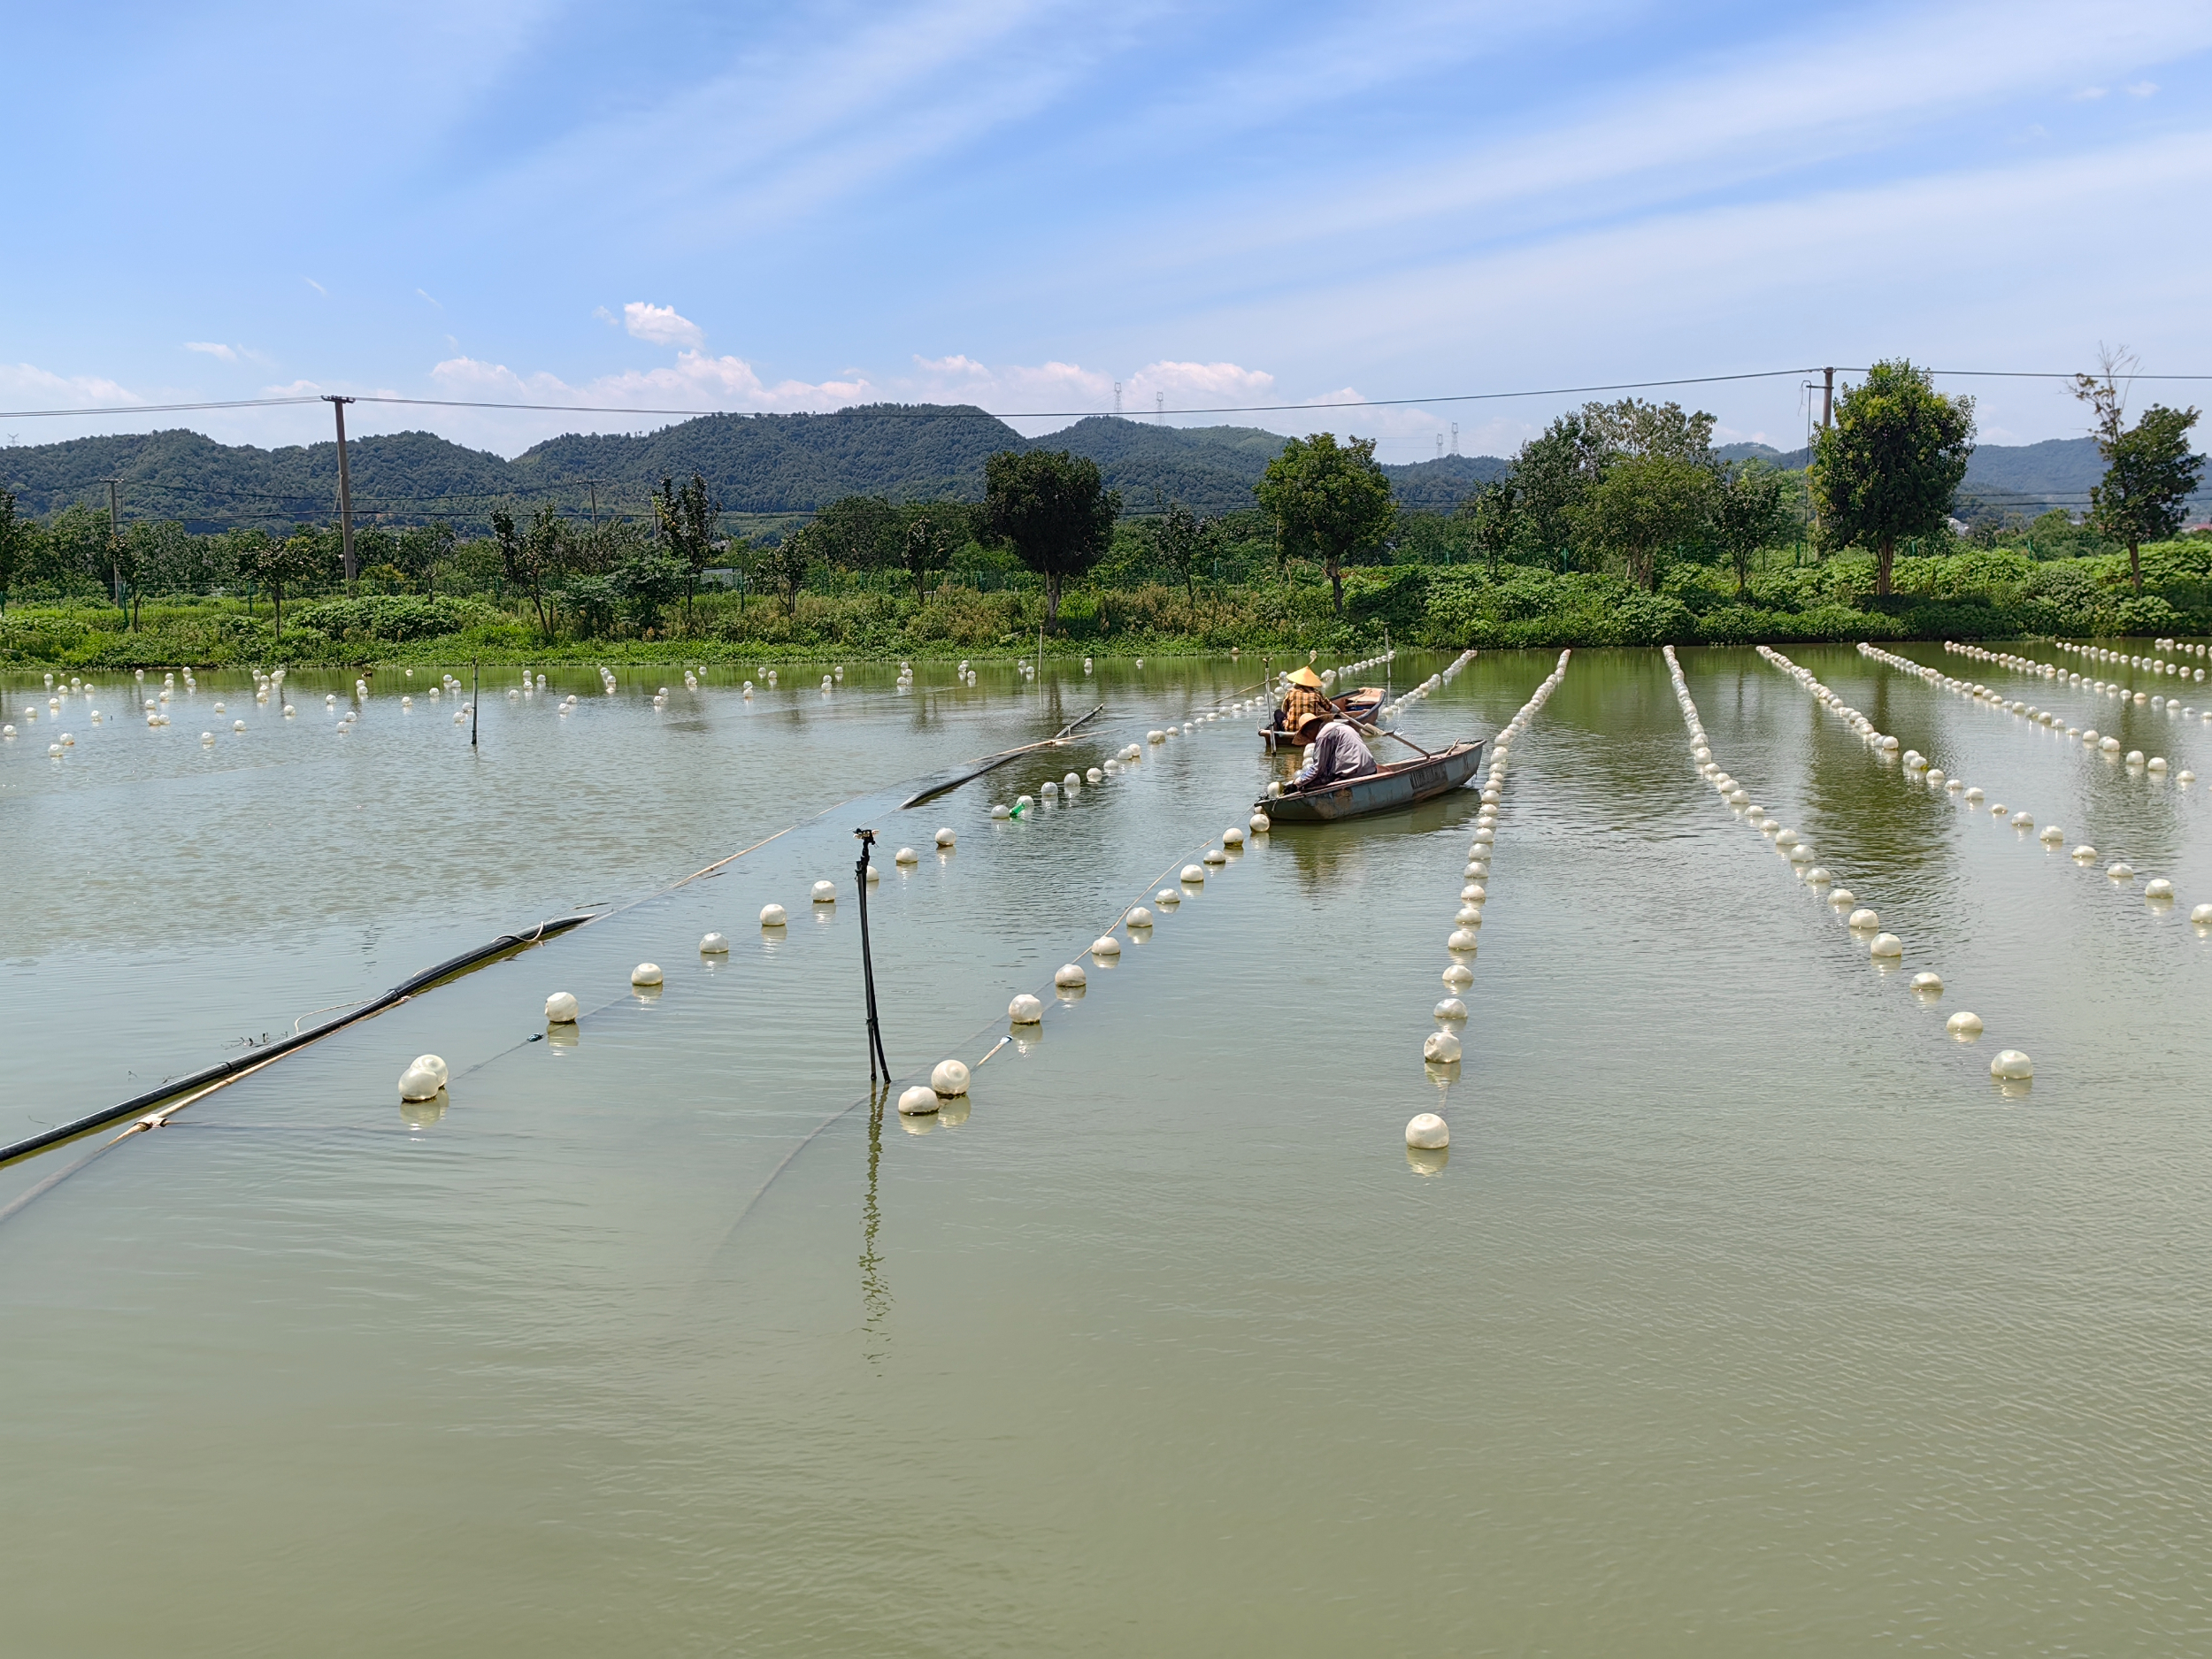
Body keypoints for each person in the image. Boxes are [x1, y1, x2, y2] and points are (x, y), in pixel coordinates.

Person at [1293, 713, 1377, 789]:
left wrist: (1296, 784)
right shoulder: (1339, 726)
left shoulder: (1323, 735)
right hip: (1370, 768)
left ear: (1308, 732)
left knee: (1310, 785)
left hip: (1354, 773)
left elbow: (1317, 769)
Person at [1277, 666, 1334, 733]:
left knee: (1277, 713)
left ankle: (1284, 735)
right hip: (1310, 732)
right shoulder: (1316, 693)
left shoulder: (1290, 692)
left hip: (1291, 730)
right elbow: (1329, 707)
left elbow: (1284, 710)